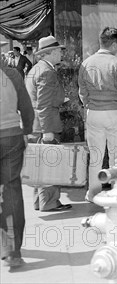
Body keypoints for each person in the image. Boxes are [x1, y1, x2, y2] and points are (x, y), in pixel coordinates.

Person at [78, 27, 117, 202]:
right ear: (115, 44)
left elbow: (82, 92)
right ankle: (116, 191)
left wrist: (89, 105)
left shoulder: (86, 63)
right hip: (116, 112)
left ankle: (93, 192)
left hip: (94, 112)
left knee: (95, 155)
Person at [25, 35, 72, 212]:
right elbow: (43, 104)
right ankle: (50, 202)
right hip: (45, 125)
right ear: (50, 53)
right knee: (50, 165)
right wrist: (47, 131)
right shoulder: (47, 71)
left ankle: (40, 201)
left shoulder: (36, 69)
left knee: (40, 165)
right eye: (59, 50)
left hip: (35, 124)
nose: (61, 53)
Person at [1, 44, 34, 269]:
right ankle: (13, 252)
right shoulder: (11, 74)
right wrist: (27, 132)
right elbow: (26, 108)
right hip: (11, 138)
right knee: (11, 190)